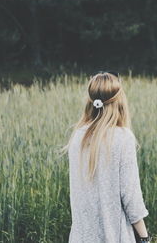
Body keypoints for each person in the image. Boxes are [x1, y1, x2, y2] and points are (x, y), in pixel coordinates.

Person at [64, 71, 151, 242]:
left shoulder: (77, 137)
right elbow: (131, 196)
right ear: (119, 101)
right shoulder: (122, 138)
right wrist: (144, 236)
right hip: (114, 236)